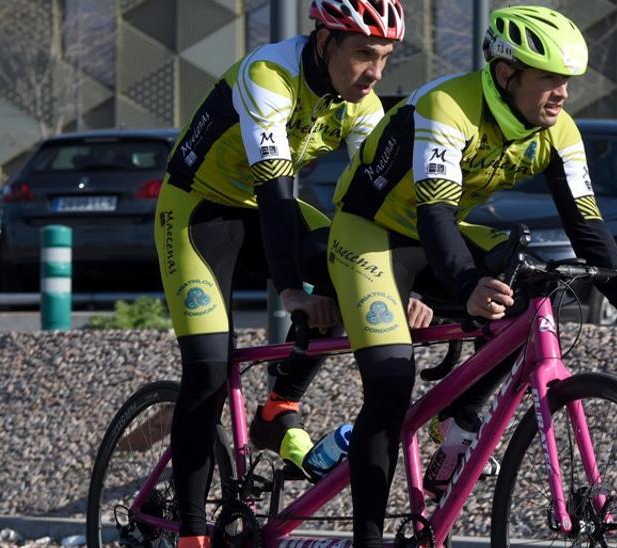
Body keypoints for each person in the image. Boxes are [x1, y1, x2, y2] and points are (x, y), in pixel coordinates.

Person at [324, 6, 617, 545]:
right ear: (505, 75)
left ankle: (460, 417)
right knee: (390, 383)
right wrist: (467, 285)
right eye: (549, 79)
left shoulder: (558, 129)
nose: (563, 93)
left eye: (566, 81)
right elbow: (434, 214)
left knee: (534, 290)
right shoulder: (446, 105)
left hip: (445, 231)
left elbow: (587, 225)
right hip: (371, 233)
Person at [153, 2, 426, 546]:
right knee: (208, 367)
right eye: (363, 55)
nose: (375, 73)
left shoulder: (360, 102)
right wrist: (290, 294)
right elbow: (276, 195)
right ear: (324, 44)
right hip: (197, 212)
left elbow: (376, 206)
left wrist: (408, 285)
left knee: (343, 256)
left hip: (261, 211)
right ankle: (189, 532)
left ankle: (279, 409)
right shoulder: (268, 75)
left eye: (386, 58)